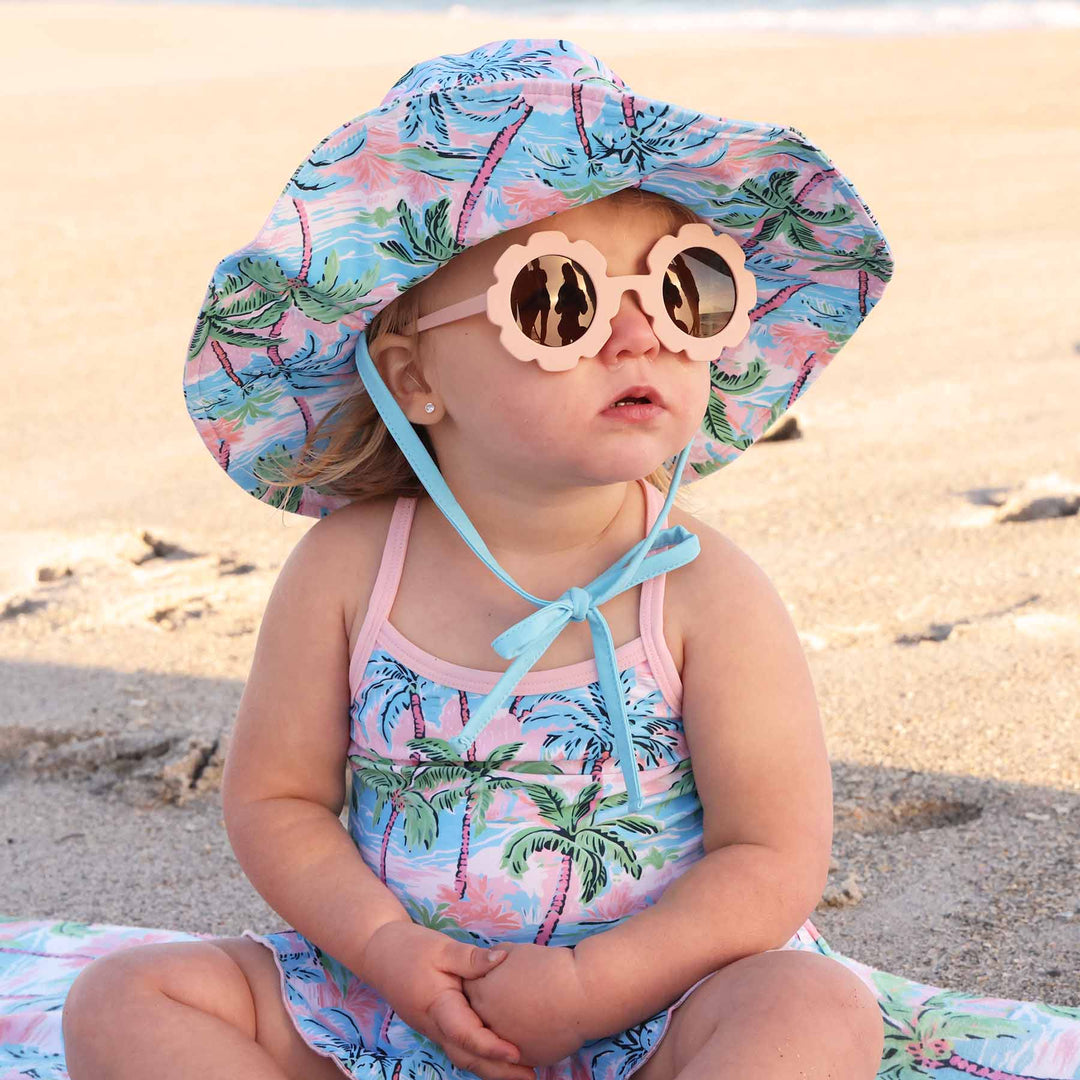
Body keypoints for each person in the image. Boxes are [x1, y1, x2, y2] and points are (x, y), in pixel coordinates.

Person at [59, 37, 1080, 1080]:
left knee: (810, 1009)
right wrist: (388, 951)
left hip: (658, 1004)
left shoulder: (700, 589)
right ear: (416, 379)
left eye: (686, 291)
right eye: (562, 302)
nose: (642, 337)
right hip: (389, 1000)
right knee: (130, 999)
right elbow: (276, 801)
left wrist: (596, 987)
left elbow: (769, 856)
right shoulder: (350, 570)